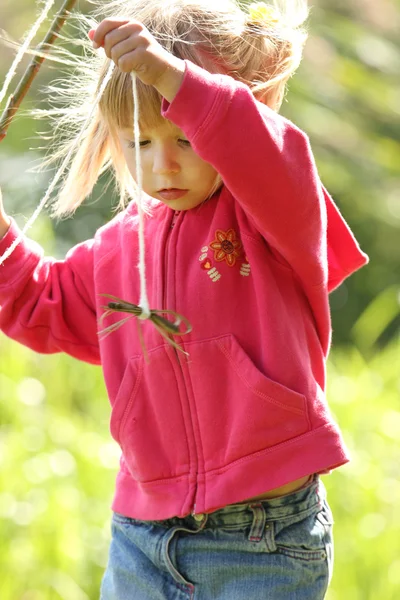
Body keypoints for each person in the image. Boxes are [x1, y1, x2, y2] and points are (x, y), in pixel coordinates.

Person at [0, 0, 369, 598]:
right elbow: (40, 304)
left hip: (263, 541)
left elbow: (264, 149)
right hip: (141, 537)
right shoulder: (117, 246)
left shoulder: (270, 213)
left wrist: (167, 75)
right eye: (140, 141)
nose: (162, 164)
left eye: (186, 138)